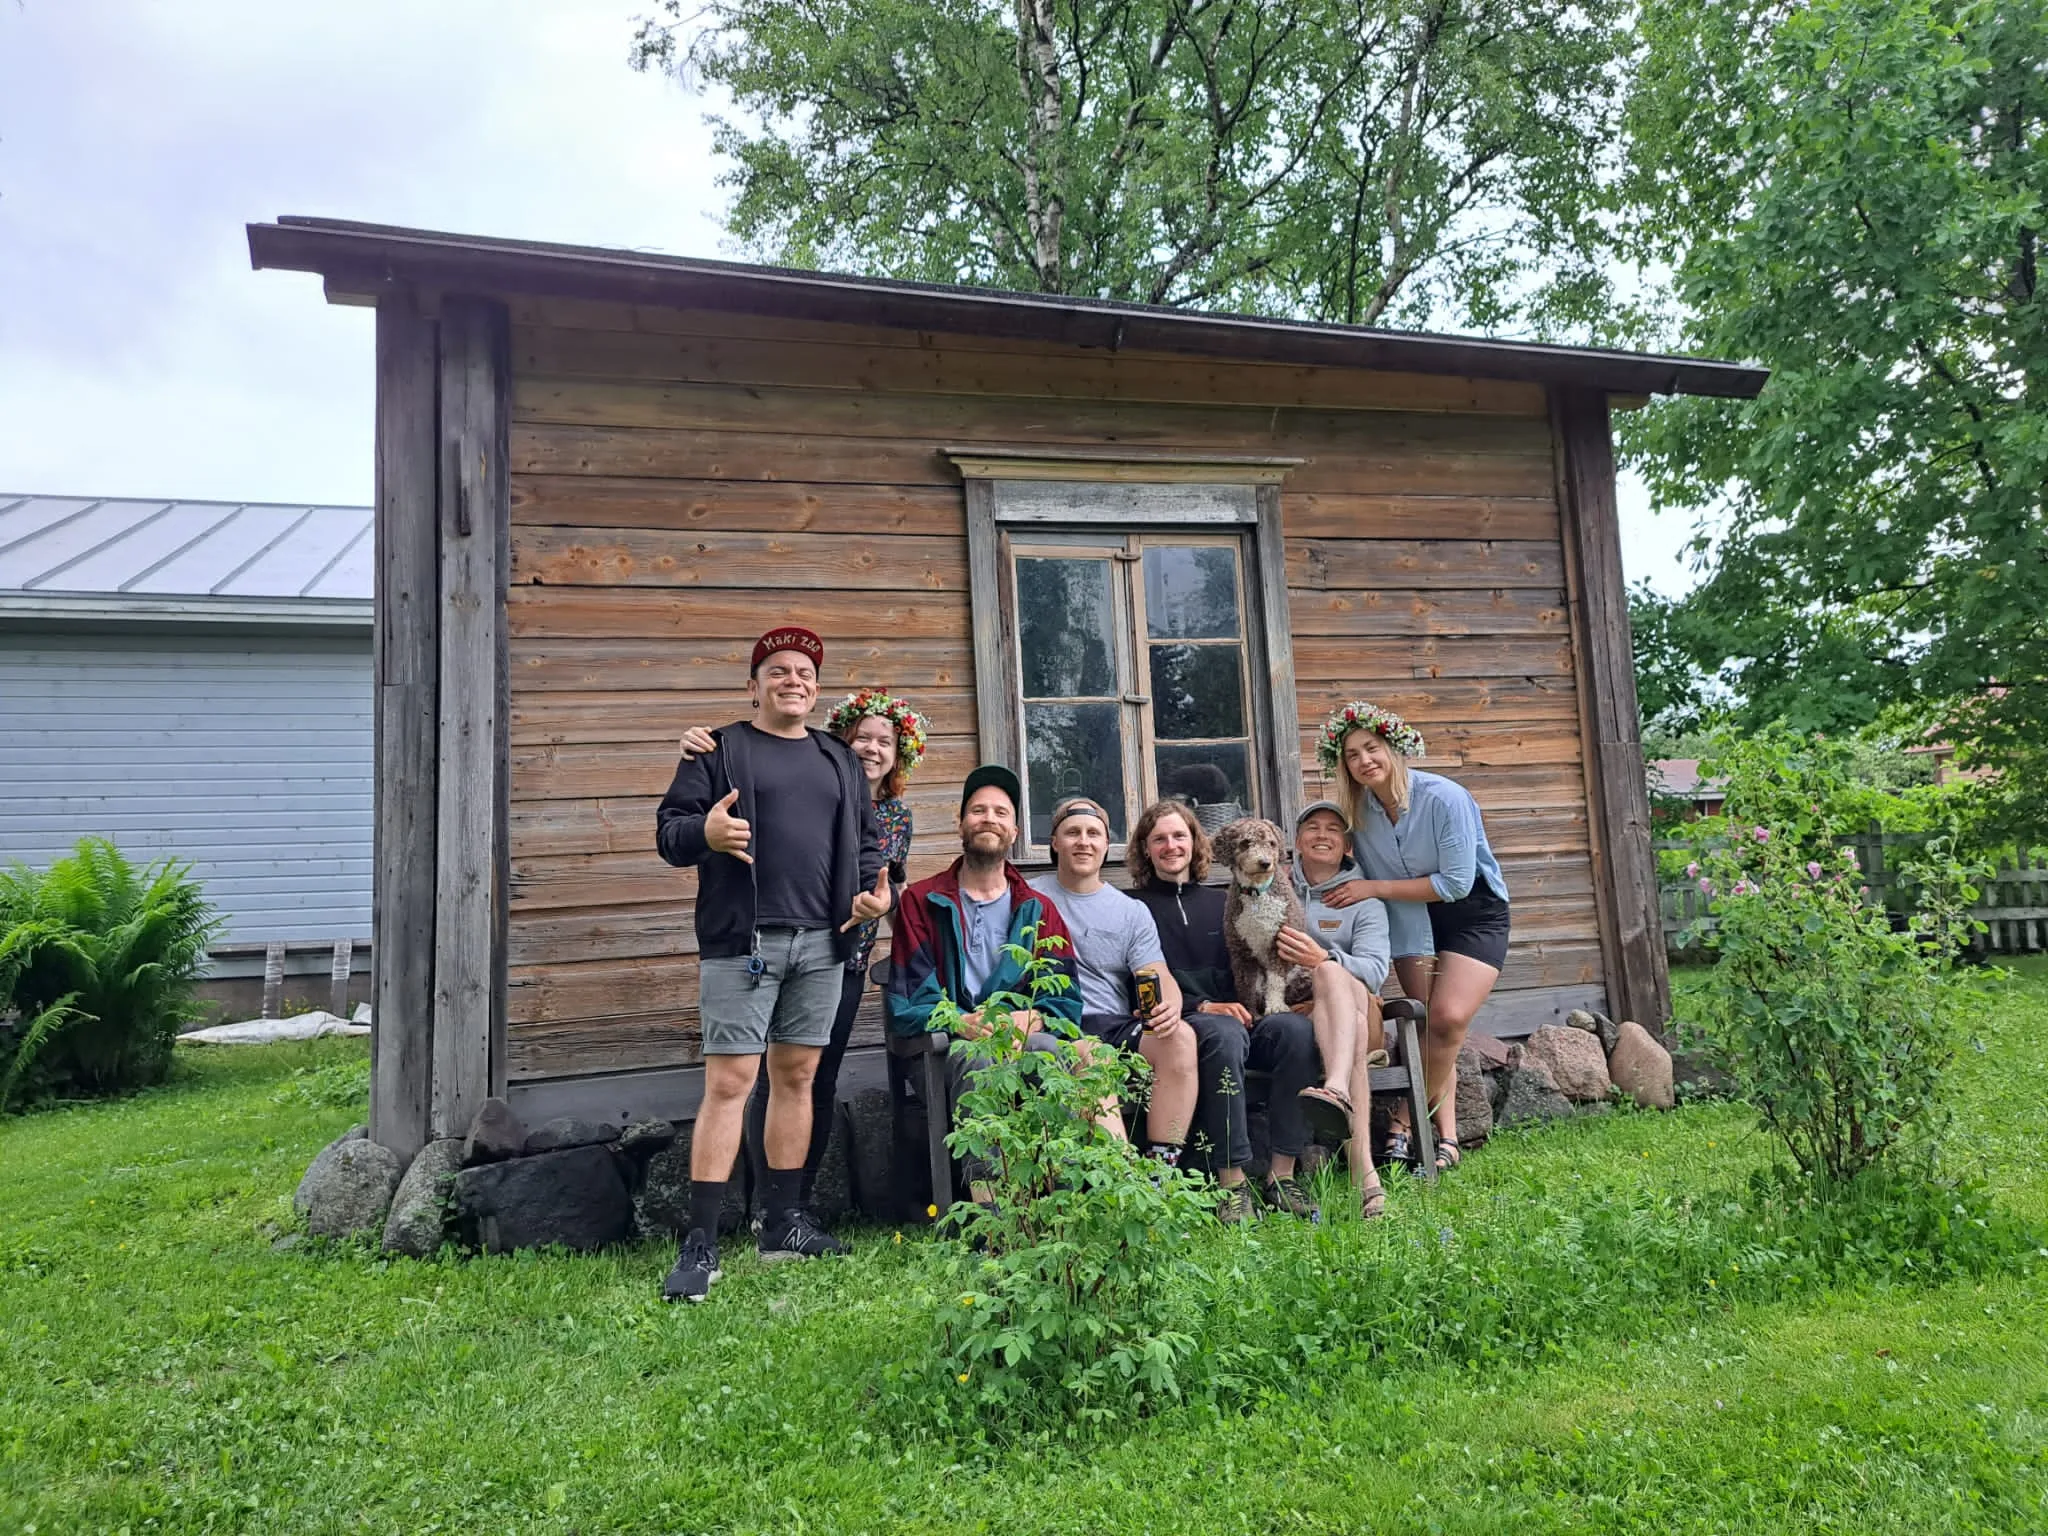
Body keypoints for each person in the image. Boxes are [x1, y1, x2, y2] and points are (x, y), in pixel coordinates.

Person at [652, 626, 894, 1303]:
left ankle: (782, 1225)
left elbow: (870, 843)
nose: (794, 680)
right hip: (744, 944)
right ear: (753, 685)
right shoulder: (719, 750)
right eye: (779, 670)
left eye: (805, 672)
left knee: (797, 1077)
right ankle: (700, 1244)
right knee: (730, 1083)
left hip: (824, 943)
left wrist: (878, 892)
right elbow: (670, 833)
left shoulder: (838, 759)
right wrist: (704, 833)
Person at [678, 687, 927, 1224]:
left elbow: (883, 881)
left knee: (811, 1077)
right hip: (765, 943)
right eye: (863, 737)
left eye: (886, 741)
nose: (872, 749)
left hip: (844, 956)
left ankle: (794, 1207)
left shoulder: (897, 819)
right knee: (750, 1079)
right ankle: (752, 1208)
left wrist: (878, 905)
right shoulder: (790, 772)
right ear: (844, 740)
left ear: (898, 755)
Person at [886, 767, 1117, 1203]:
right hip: (945, 1048)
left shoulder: (1038, 908)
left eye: (999, 812)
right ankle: (990, 1214)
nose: (988, 818)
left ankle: (1058, 1203)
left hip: (1022, 1040)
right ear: (961, 824)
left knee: (1050, 1052)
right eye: (977, 810)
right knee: (979, 1061)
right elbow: (908, 998)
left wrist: (1033, 1018)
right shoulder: (923, 900)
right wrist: (962, 1022)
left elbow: (1065, 999)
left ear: (1013, 830)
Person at [1318, 701, 1511, 1172]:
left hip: (1471, 915)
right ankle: (1445, 1140)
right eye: (1352, 755)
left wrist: (1373, 888)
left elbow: (1455, 883)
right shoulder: (1357, 814)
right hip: (1410, 921)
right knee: (1428, 1026)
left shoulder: (1444, 797)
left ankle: (1404, 1122)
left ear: (1393, 746)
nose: (1365, 760)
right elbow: (1340, 857)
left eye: (1372, 747)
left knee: (1447, 1018)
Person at [1125, 800, 1323, 1223]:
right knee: (1223, 1033)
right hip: (1186, 1022)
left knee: (1294, 1032)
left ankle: (1281, 1177)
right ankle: (1232, 1184)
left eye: (1180, 836)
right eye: (1159, 839)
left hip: (1247, 1012)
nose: (1170, 846)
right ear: (1144, 849)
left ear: (1197, 845)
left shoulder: (1226, 901)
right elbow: (1136, 981)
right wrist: (1202, 1005)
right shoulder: (1132, 908)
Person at [1026, 797, 1198, 1167]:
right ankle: (1120, 1176)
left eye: (1093, 834)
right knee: (1091, 1054)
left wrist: (1170, 1005)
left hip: (1114, 1023)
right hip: (1055, 1023)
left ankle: (1159, 1171)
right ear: (1054, 842)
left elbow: (1156, 972)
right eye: (1072, 833)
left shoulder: (1130, 910)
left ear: (1107, 845)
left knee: (1180, 1038)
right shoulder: (1028, 895)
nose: (1083, 842)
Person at [1288, 799, 1394, 1218]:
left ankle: (1334, 1087)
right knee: (1342, 1027)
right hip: (1307, 1020)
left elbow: (1374, 970)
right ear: (1297, 841)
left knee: (1331, 975)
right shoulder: (1278, 892)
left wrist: (1324, 960)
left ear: (1347, 845)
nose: (1322, 835)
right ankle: (1366, 1177)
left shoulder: (1364, 902)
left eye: (1333, 829)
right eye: (1312, 827)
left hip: (1363, 1014)